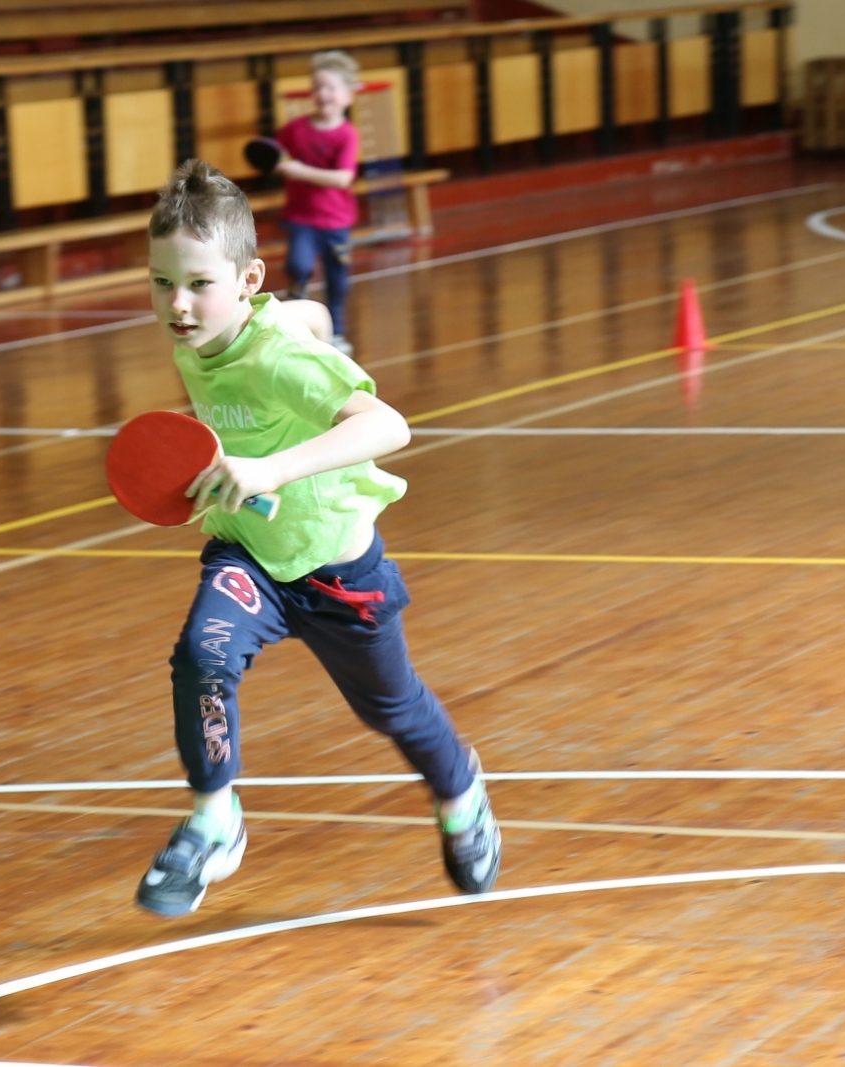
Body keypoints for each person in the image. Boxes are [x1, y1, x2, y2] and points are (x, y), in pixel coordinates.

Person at [135, 159, 501, 918]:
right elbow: (305, 315)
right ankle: (215, 820)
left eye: (199, 283)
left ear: (246, 279)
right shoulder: (204, 333)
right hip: (250, 557)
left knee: (391, 707)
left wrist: (271, 465)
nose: (178, 303)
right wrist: (318, 320)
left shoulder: (277, 358)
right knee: (202, 654)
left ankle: (461, 791)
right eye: (161, 282)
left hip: (337, 571)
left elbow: (388, 425)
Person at [273, 50, 362, 357]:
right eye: (318, 87)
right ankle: (296, 329)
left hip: (336, 221)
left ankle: (335, 331)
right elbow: (274, 150)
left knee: (338, 281)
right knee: (298, 266)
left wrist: (299, 171)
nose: (323, 94)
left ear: (348, 96)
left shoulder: (347, 135)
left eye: (331, 87)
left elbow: (342, 179)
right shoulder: (296, 128)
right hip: (302, 218)